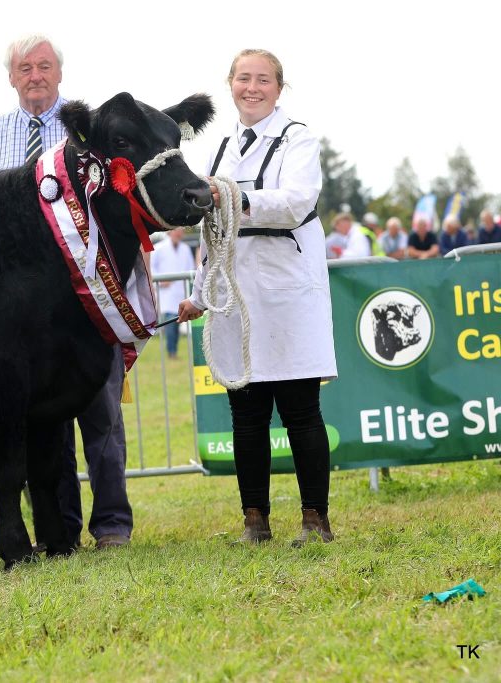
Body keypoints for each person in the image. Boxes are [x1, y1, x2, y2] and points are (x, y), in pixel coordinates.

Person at [0, 34, 133, 550]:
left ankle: (112, 524)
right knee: (43, 420)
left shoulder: (91, 134)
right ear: (11, 77)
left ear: (59, 73)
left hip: (88, 299)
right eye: (25, 68)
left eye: (43, 66)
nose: (35, 75)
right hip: (21, 312)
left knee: (101, 417)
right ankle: (57, 528)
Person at [178, 48, 337, 546]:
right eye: (244, 78)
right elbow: (211, 234)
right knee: (246, 418)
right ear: (230, 84)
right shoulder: (220, 148)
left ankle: (315, 520)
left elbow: (296, 202)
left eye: (263, 79)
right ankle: (255, 521)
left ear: (279, 88)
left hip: (287, 296)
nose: (253, 88)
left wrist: (235, 197)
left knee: (300, 412)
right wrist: (199, 296)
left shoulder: (298, 139)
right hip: (235, 299)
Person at [150, 228, 196, 358]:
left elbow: (191, 268)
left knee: (178, 321)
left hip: (181, 291)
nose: (179, 233)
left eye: (181, 231)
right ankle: (172, 352)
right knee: (170, 321)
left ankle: (173, 350)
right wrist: (160, 281)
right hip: (166, 292)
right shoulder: (158, 248)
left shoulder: (185, 249)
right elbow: (150, 267)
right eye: (176, 230)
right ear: (170, 231)